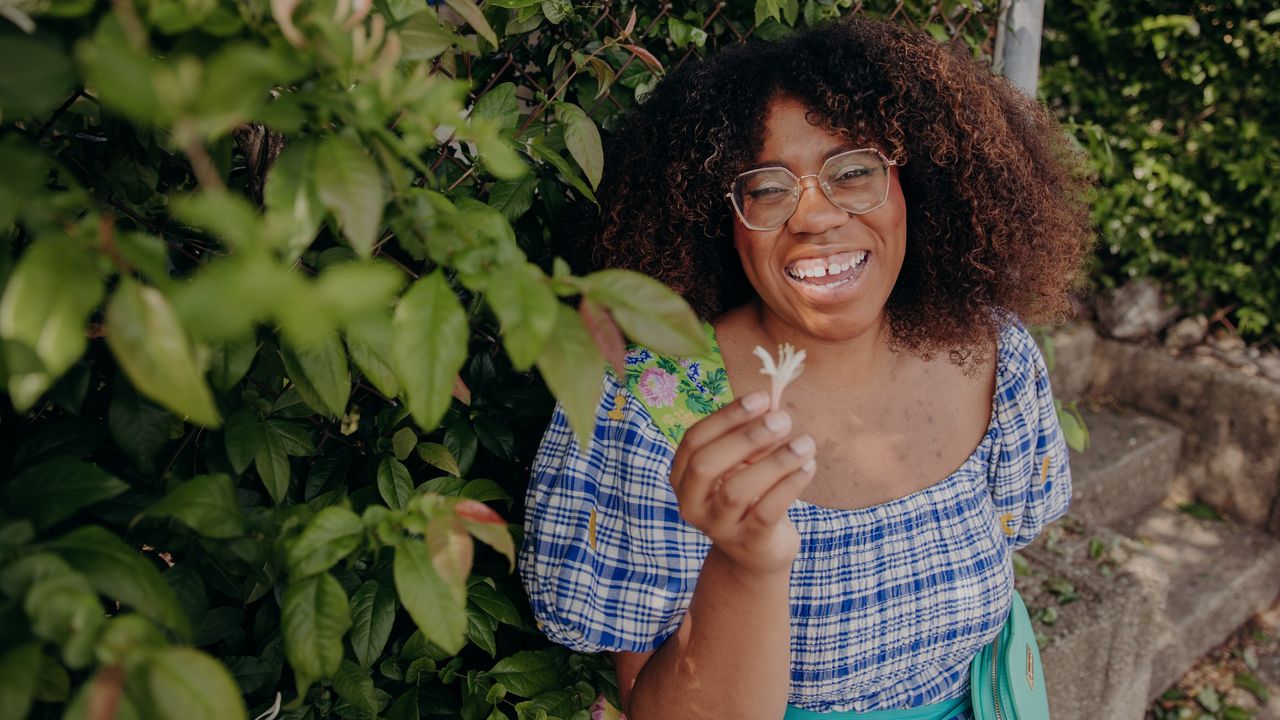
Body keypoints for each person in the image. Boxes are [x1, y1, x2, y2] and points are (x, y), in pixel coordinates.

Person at [518, 17, 1092, 720]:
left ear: (917, 185)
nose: (816, 216)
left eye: (853, 171)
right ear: (719, 217)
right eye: (767, 187)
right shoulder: (655, 408)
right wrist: (745, 561)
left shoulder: (992, 358)